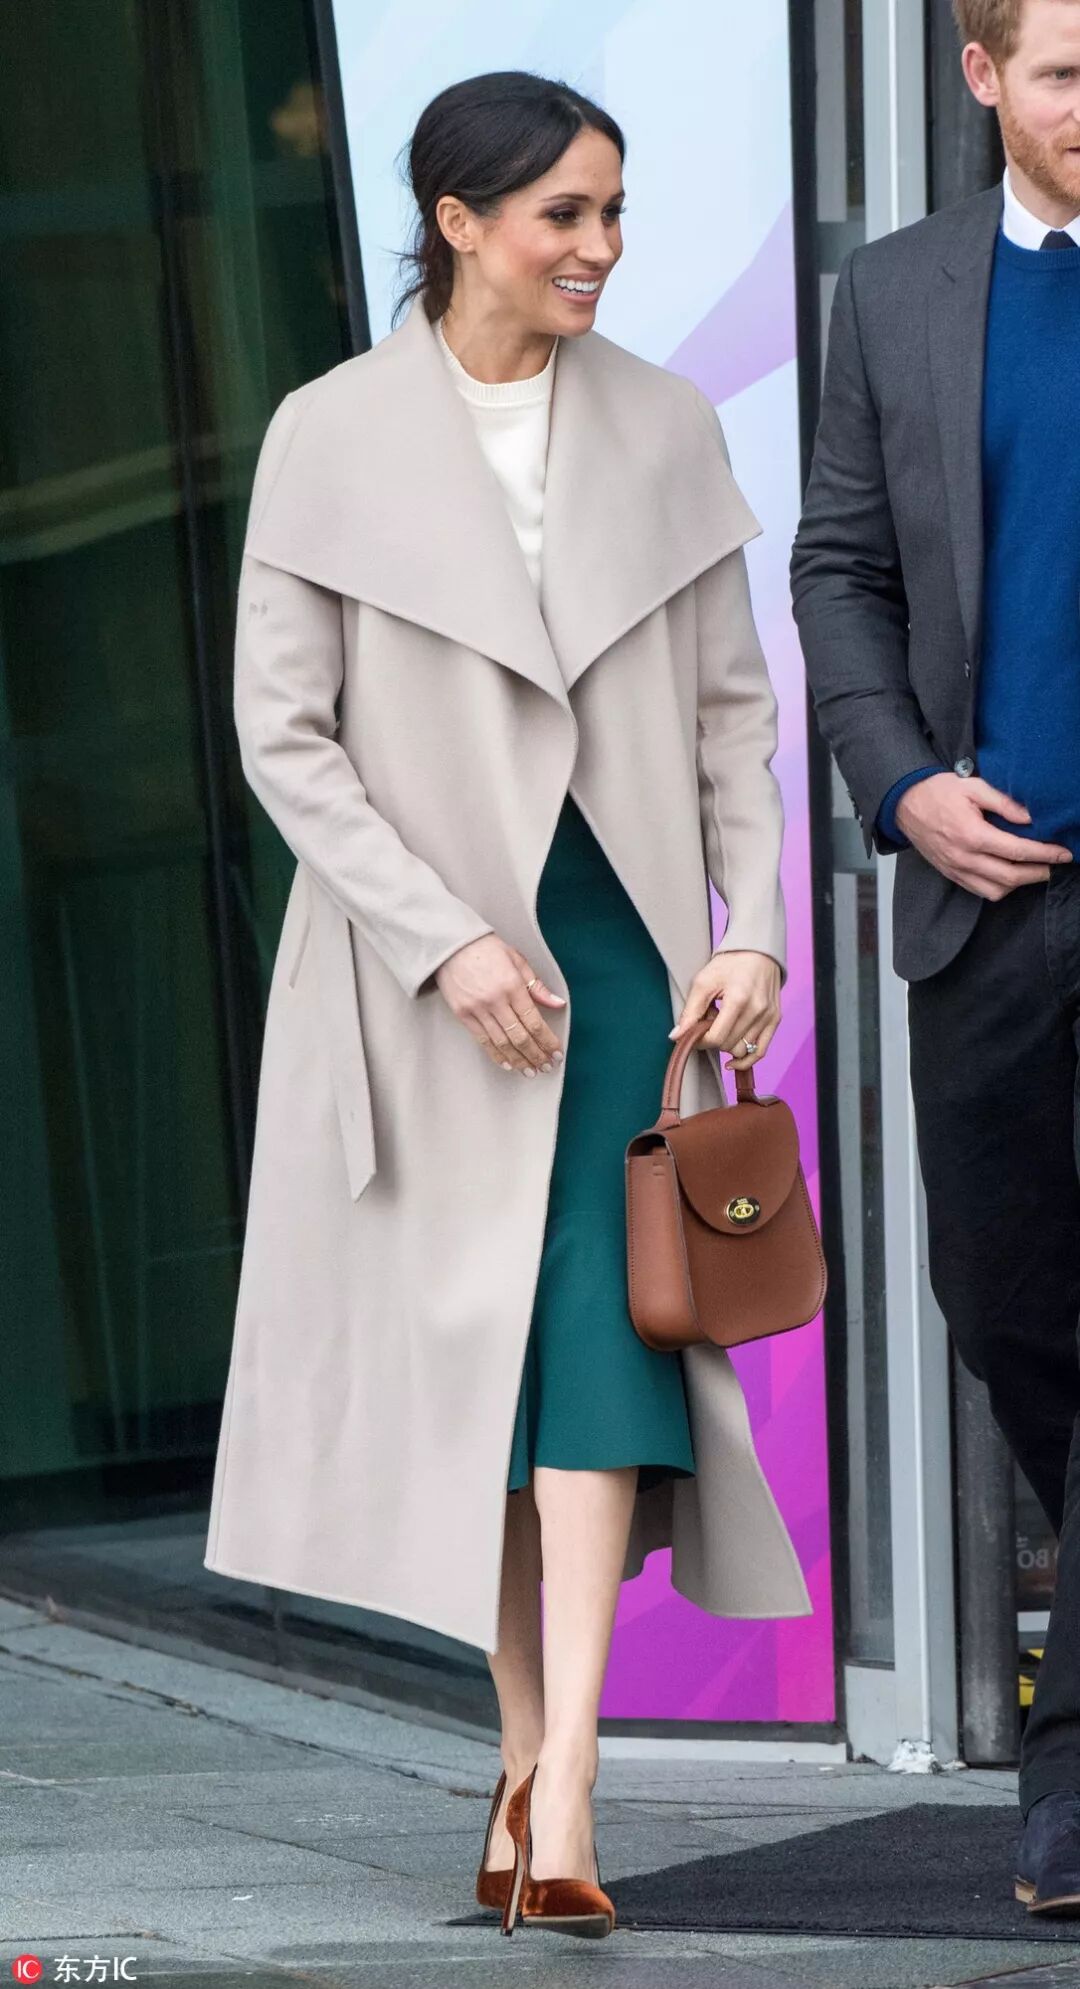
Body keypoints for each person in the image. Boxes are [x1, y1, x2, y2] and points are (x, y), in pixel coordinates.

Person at [204, 70, 809, 1938]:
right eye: (564, 214)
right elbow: (284, 738)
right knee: (482, 1374)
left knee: (601, 1349)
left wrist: (754, 928)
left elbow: (731, 715)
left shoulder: (662, 419)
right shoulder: (329, 433)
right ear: (457, 221)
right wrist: (442, 939)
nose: (602, 246)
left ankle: (569, 1788)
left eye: (614, 211)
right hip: (425, 975)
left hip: (624, 959)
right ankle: (525, 1759)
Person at [791, 0, 1080, 1920]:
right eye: (1066, 70)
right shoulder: (893, 294)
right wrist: (900, 785)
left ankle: (1067, 1765)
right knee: (1003, 1300)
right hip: (987, 887)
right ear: (980, 79)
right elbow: (840, 567)